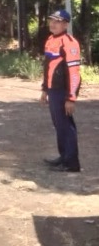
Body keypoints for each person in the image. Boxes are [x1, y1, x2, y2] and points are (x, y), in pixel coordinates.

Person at [41, 9, 81, 172]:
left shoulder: (69, 42)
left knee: (66, 126)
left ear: (65, 24)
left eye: (57, 21)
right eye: (52, 20)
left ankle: (71, 163)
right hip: (53, 90)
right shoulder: (51, 40)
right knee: (59, 125)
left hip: (63, 92)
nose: (53, 24)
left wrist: (71, 98)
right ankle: (63, 157)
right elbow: (48, 67)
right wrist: (45, 90)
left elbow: (74, 73)